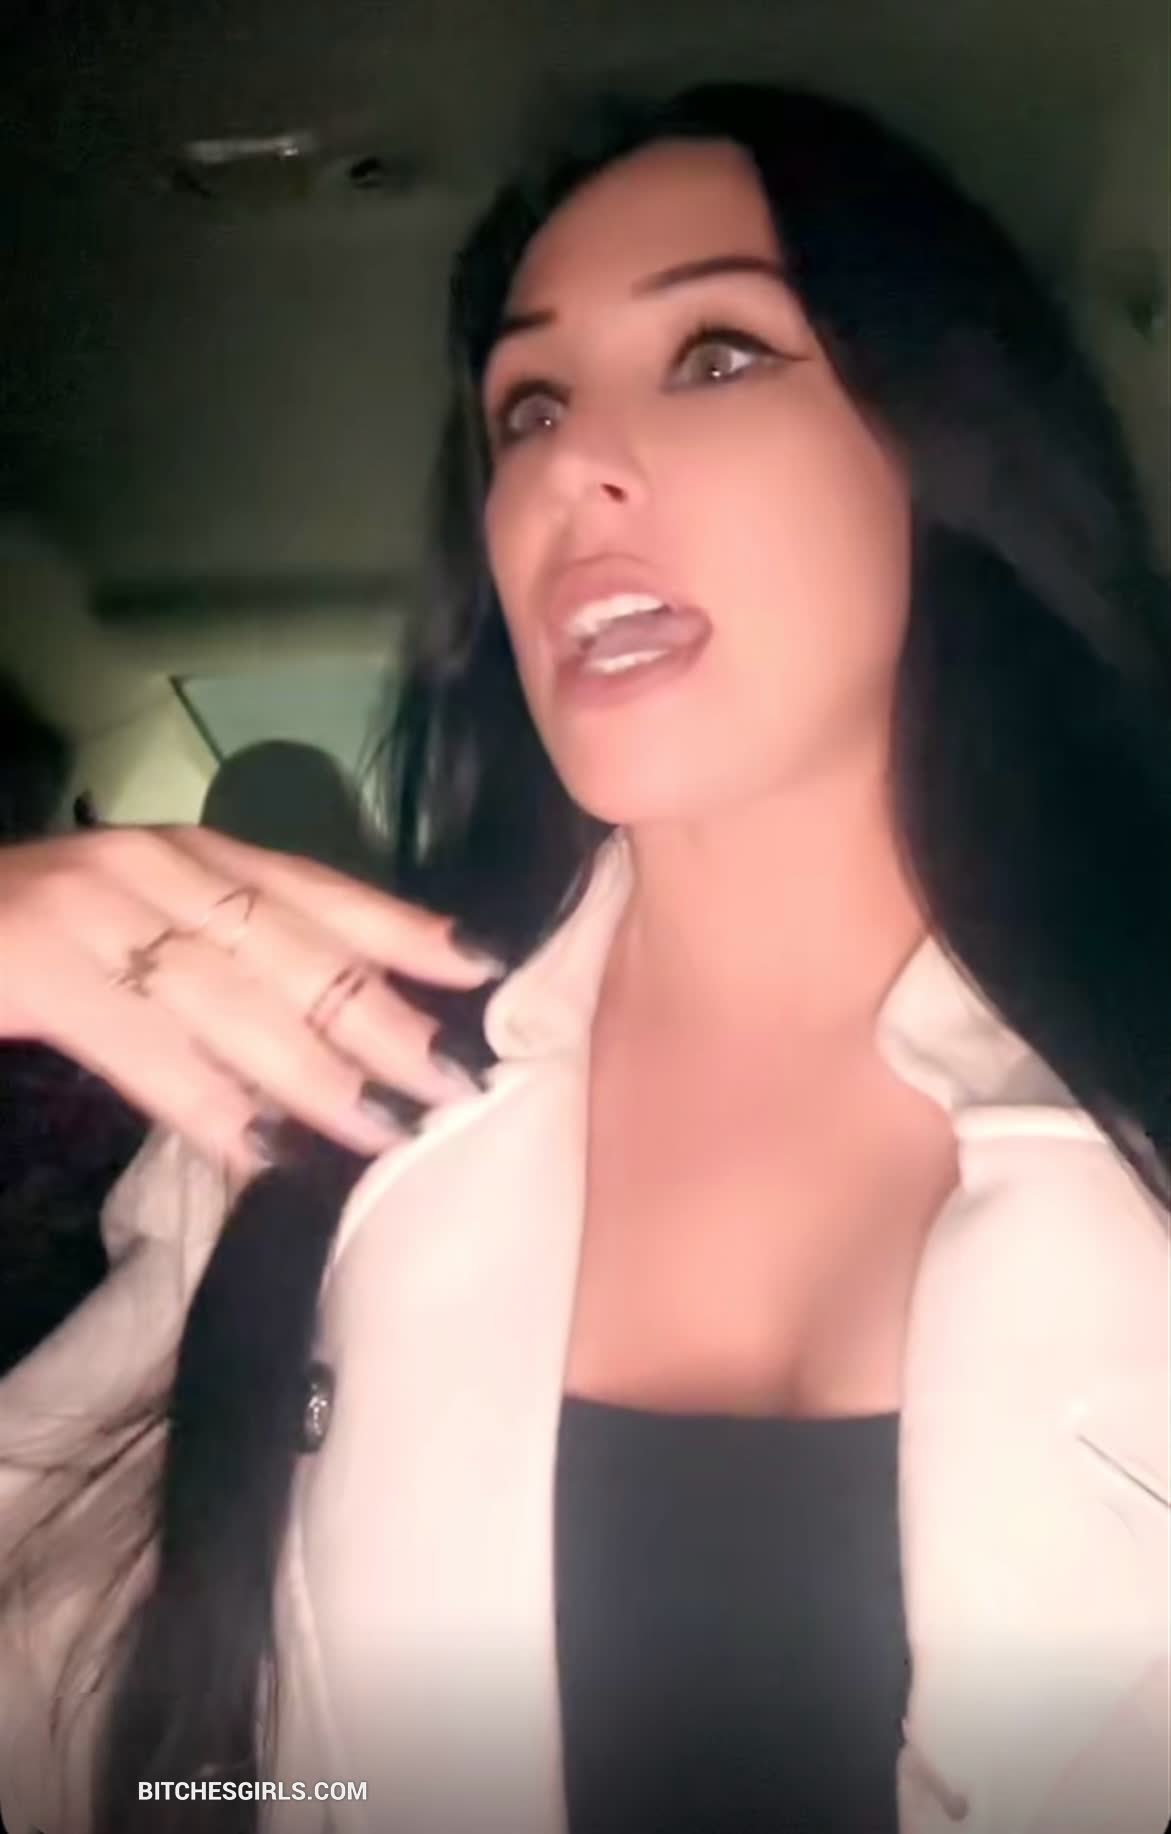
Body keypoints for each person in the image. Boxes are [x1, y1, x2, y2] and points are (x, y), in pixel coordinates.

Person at [0, 80, 1168, 1834]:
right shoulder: (312, 1094)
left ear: (944, 449)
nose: (561, 465)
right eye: (526, 407)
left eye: (717, 354)